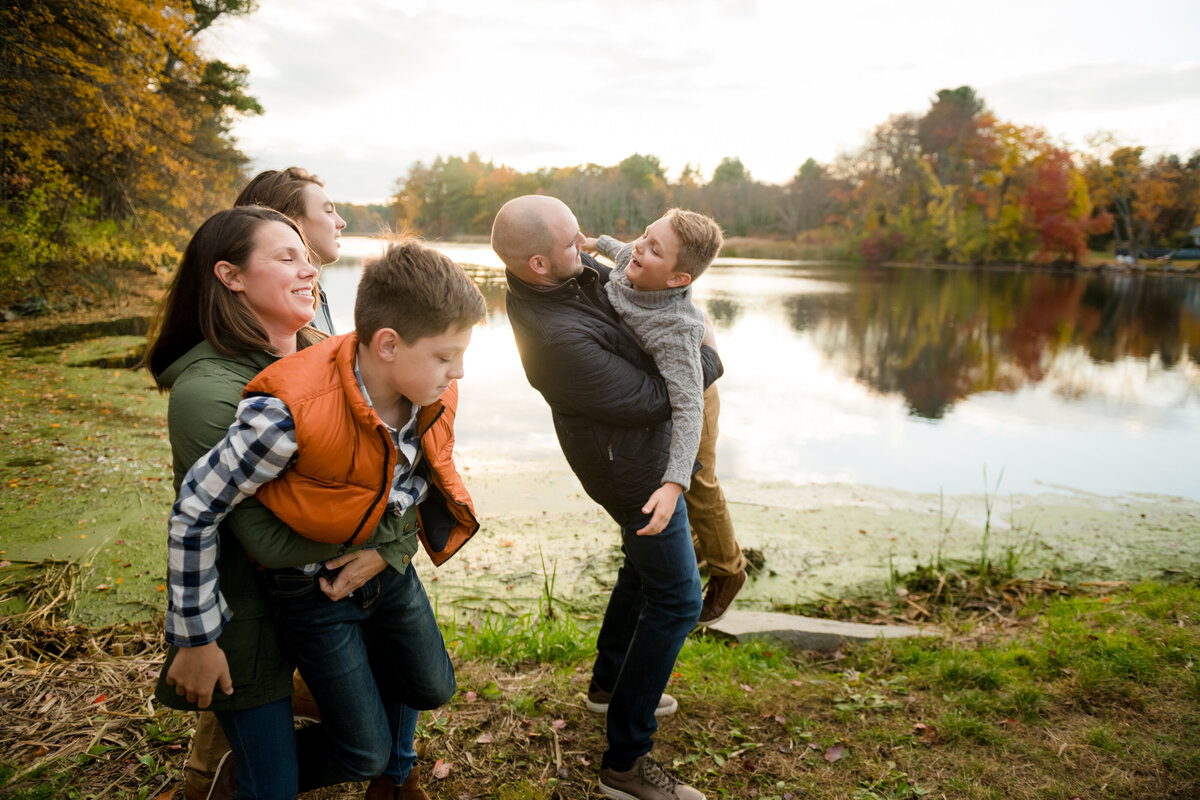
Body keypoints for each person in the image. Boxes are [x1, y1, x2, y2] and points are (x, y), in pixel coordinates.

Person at [163, 237, 485, 800]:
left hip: (386, 573)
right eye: (444, 356)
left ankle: (365, 742)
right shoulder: (287, 417)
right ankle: (250, 782)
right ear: (387, 343)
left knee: (434, 686)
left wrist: (390, 549)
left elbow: (412, 486)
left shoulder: (432, 394)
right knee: (365, 751)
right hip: (311, 591)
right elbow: (195, 510)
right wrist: (195, 631)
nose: (458, 371)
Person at [492, 195, 722, 800]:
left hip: (634, 454)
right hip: (634, 474)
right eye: (574, 242)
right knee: (677, 599)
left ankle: (607, 685)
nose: (589, 246)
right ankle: (625, 762)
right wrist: (706, 354)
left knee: (644, 576)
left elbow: (619, 268)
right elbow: (654, 399)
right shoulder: (554, 337)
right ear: (538, 263)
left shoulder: (573, 274)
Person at [584, 211, 748, 626]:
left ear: (678, 279)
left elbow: (689, 408)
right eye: (645, 235)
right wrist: (590, 243)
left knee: (699, 482)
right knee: (691, 482)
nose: (639, 246)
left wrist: (674, 482)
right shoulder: (634, 262)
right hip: (668, 392)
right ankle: (691, 550)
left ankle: (730, 570)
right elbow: (620, 251)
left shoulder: (674, 329)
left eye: (655, 248)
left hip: (695, 398)